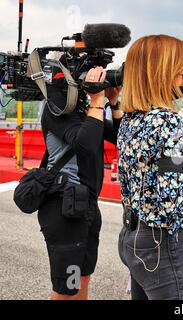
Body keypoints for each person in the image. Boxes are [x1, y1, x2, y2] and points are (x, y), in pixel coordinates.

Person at [117, 35, 183, 300]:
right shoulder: (170, 123)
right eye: (182, 68)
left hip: (132, 236)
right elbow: (172, 203)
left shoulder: (130, 120)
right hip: (161, 245)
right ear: (164, 73)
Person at [38, 68, 123, 300]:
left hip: (85, 203)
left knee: (83, 277)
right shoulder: (56, 106)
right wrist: (97, 100)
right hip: (64, 205)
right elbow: (84, 144)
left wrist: (113, 102)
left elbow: (119, 138)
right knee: (67, 288)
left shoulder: (83, 109)